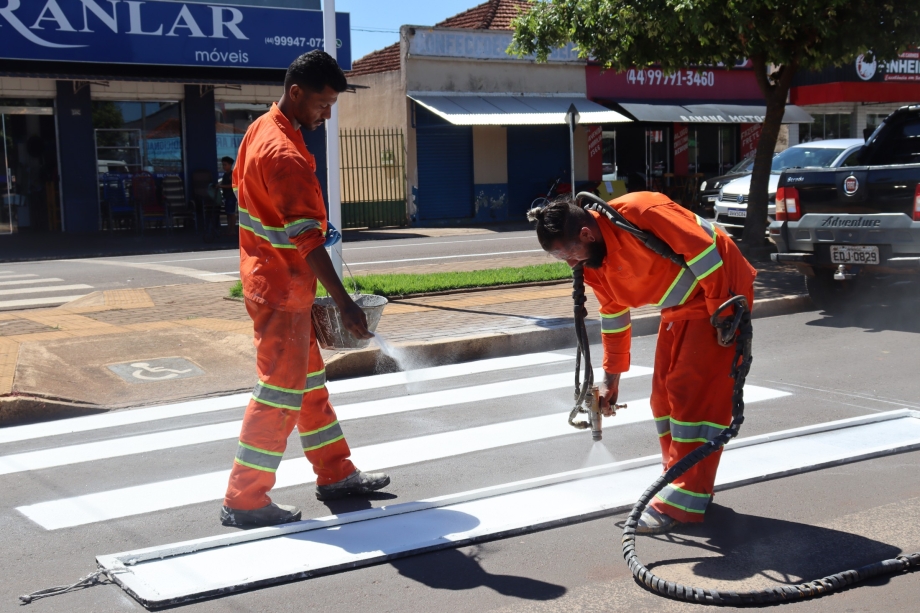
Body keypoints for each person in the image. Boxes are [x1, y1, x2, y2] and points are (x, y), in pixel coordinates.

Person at [221, 50, 390, 528]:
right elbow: (305, 239)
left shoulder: (263, 129)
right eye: (322, 103)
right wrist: (344, 303)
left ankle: (335, 473)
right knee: (279, 392)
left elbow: (254, 198)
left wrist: (306, 227)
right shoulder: (285, 153)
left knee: (308, 386)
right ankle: (245, 498)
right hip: (280, 289)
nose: (327, 113)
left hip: (275, 282)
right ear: (296, 93)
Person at [528, 192, 756, 534]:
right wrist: (611, 378)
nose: (570, 264)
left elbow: (703, 251)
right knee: (663, 397)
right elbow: (614, 314)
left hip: (720, 291)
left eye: (570, 253)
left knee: (691, 396)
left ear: (588, 234)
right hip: (682, 305)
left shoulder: (641, 211)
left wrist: (723, 310)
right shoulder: (593, 264)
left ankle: (681, 502)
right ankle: (680, 478)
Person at [219, 156, 238, 236]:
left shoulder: (232, 174)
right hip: (227, 196)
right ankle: (228, 229)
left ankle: (233, 230)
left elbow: (232, 185)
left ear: (230, 165)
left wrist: (220, 186)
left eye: (225, 165)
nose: (224, 167)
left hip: (232, 197)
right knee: (228, 214)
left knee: (231, 213)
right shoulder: (225, 175)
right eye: (223, 165)